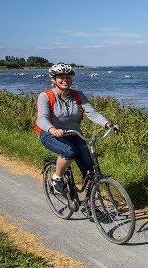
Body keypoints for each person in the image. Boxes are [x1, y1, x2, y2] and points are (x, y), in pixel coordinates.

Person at [35, 63, 120, 194]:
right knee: (70, 152)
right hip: (50, 135)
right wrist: (52, 129)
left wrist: (108, 124)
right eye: (61, 77)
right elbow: (42, 118)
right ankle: (57, 178)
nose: (65, 80)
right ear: (53, 79)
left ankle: (91, 204)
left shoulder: (78, 95)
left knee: (90, 170)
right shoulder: (45, 96)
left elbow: (92, 113)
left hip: (74, 134)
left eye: (68, 77)